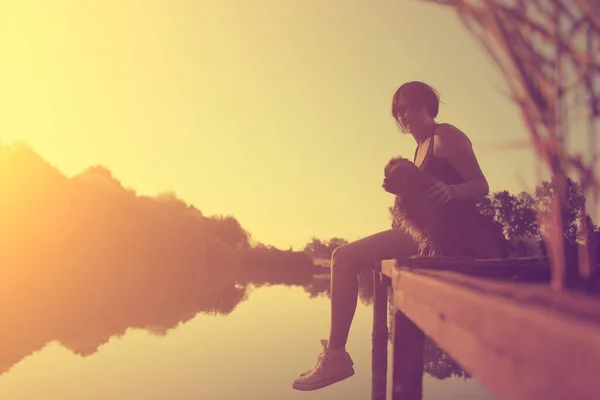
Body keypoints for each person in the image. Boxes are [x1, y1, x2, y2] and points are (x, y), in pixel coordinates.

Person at [291, 81, 490, 391]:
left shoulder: (445, 136)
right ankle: (335, 352)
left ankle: (336, 356)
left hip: (447, 236)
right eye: (397, 111)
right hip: (421, 234)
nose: (403, 115)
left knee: (341, 258)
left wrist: (451, 191)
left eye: (408, 106)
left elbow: (481, 186)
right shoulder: (419, 148)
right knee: (347, 257)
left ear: (428, 106)